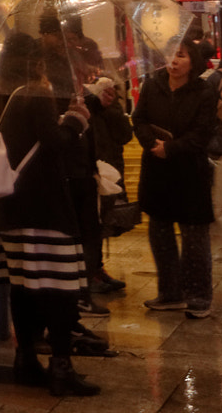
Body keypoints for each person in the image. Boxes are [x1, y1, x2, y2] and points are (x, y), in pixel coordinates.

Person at [0, 30, 101, 397]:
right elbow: (53, 145)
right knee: (58, 288)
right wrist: (76, 120)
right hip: (43, 208)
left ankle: (26, 359)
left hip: (6, 206)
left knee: (22, 286)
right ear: (35, 61)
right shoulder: (35, 93)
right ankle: (62, 367)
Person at [133, 42, 220, 318]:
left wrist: (170, 148)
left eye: (180, 56)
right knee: (160, 233)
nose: (173, 61)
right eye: (170, 55)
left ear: (192, 62)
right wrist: (151, 144)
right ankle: (170, 293)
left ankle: (198, 296)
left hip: (189, 171)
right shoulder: (152, 85)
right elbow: (139, 119)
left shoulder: (204, 92)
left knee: (194, 236)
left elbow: (202, 133)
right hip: (156, 170)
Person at [85, 76, 133, 294]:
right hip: (91, 172)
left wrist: (111, 106)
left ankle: (98, 269)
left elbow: (125, 135)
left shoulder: (111, 109)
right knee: (91, 225)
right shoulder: (85, 105)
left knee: (102, 225)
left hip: (110, 173)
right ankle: (91, 273)